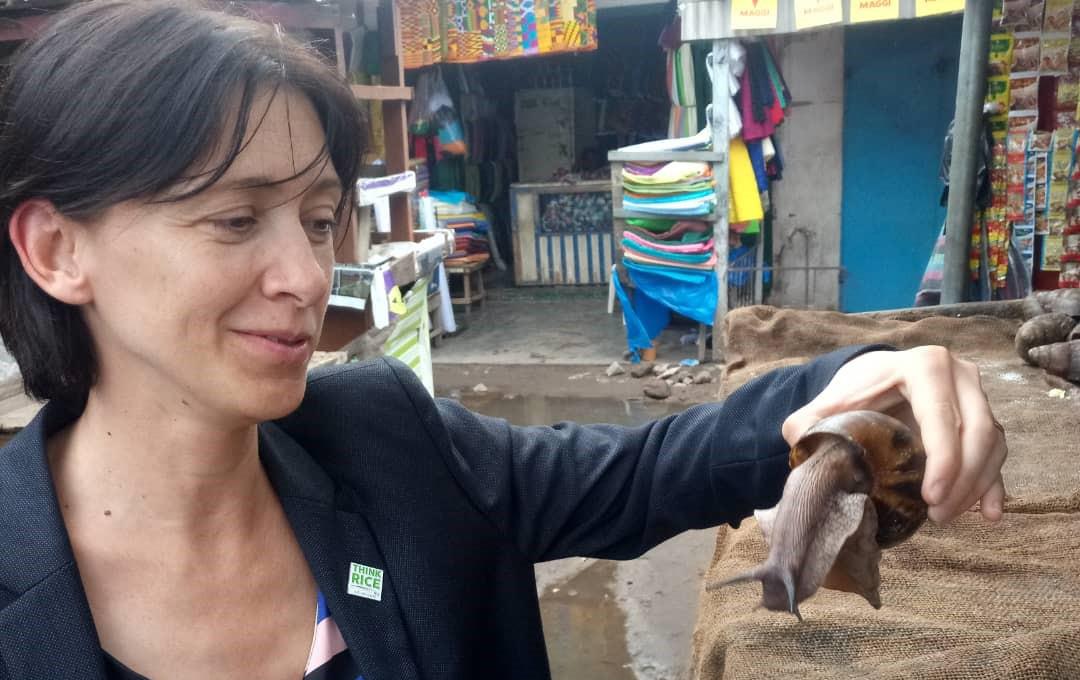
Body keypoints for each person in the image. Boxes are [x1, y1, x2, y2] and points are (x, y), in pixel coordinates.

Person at [0, 2, 1007, 679]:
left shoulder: (380, 438)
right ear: (56, 248)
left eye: (317, 219)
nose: (308, 277)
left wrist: (858, 379)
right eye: (234, 220)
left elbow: (650, 467)